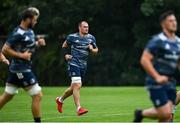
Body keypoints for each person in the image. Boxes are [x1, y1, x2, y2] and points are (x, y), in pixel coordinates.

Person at [0, 7, 46, 123]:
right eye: (34, 20)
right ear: (28, 19)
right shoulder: (17, 33)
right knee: (37, 95)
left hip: (19, 69)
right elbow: (5, 49)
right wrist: (22, 56)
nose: (36, 22)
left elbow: (28, 46)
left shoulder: (30, 31)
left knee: (7, 96)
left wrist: (37, 43)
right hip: (21, 69)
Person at [133, 10, 180, 122]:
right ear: (163, 24)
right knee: (166, 112)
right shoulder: (157, 40)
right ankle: (140, 113)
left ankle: (140, 114)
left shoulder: (178, 42)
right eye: (170, 21)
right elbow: (144, 59)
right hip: (155, 83)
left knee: (166, 116)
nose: (174, 23)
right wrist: (157, 77)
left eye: (175, 20)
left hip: (171, 83)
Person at [56, 21, 98, 116]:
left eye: (87, 27)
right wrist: (65, 54)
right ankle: (79, 108)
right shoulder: (72, 37)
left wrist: (91, 49)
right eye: (84, 27)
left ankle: (60, 99)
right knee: (78, 85)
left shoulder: (91, 38)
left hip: (83, 65)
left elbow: (96, 50)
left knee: (73, 88)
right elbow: (64, 45)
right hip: (73, 63)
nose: (86, 28)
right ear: (79, 27)